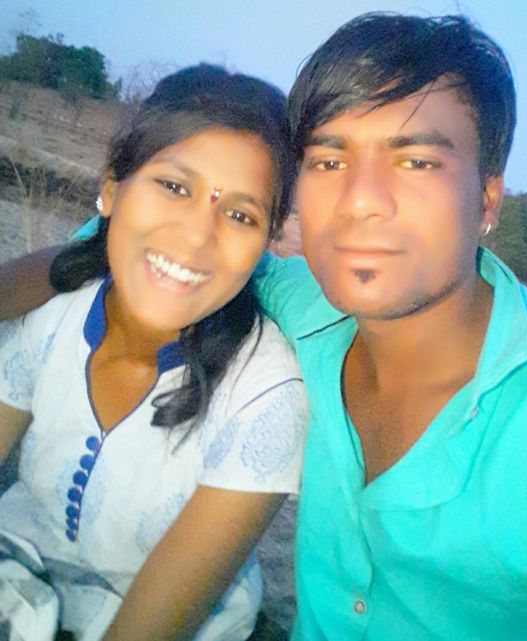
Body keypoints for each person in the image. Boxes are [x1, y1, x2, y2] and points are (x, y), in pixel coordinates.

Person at [2, 12, 527, 641]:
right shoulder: (299, 302)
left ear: (488, 199)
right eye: (329, 162)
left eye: (417, 161)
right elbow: (137, 249)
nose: (360, 198)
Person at [0, 63, 307, 641]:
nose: (196, 235)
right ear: (112, 187)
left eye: (239, 215)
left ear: (266, 246)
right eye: (173, 187)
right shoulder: (51, 315)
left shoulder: (263, 397)